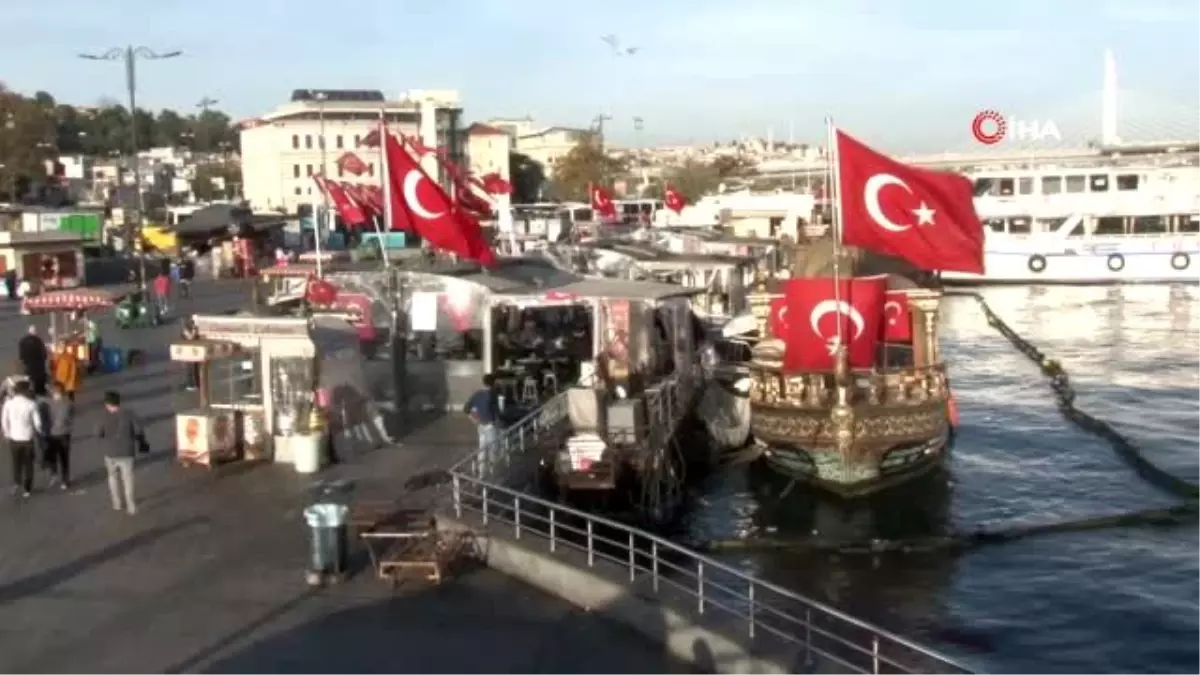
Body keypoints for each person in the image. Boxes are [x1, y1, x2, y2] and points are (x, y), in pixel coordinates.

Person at [96, 391, 143, 514]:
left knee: (112, 477)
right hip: (127, 451)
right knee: (128, 479)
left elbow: (98, 433)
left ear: (107, 404)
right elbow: (139, 430)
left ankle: (117, 503)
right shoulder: (129, 414)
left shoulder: (103, 416)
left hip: (110, 452)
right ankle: (130, 505)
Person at [2, 380, 43, 497]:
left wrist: (7, 434)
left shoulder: (8, 404)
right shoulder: (31, 404)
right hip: (27, 438)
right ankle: (27, 488)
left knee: (16, 462)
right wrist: (40, 433)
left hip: (14, 438)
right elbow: (38, 423)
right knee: (28, 464)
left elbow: (4, 420)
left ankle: (16, 482)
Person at [43, 383, 73, 489]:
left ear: (53, 392)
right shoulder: (68, 402)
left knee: (52, 456)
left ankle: (54, 473)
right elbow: (69, 416)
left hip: (52, 434)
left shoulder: (48, 403)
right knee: (64, 458)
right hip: (64, 433)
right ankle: (65, 480)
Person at [463, 374, 499, 457]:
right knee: (492, 450)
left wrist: (474, 420)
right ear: (493, 383)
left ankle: (481, 469)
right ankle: (492, 469)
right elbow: (497, 412)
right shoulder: (492, 395)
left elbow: (466, 409)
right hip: (490, 425)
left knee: (482, 449)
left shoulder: (477, 394)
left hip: (480, 425)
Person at [18, 325, 48, 396]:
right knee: (40, 388)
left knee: (29, 383)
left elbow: (21, 356)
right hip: (39, 369)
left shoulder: (22, 341)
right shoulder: (39, 341)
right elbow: (44, 355)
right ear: (35, 332)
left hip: (28, 368)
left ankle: (29, 394)